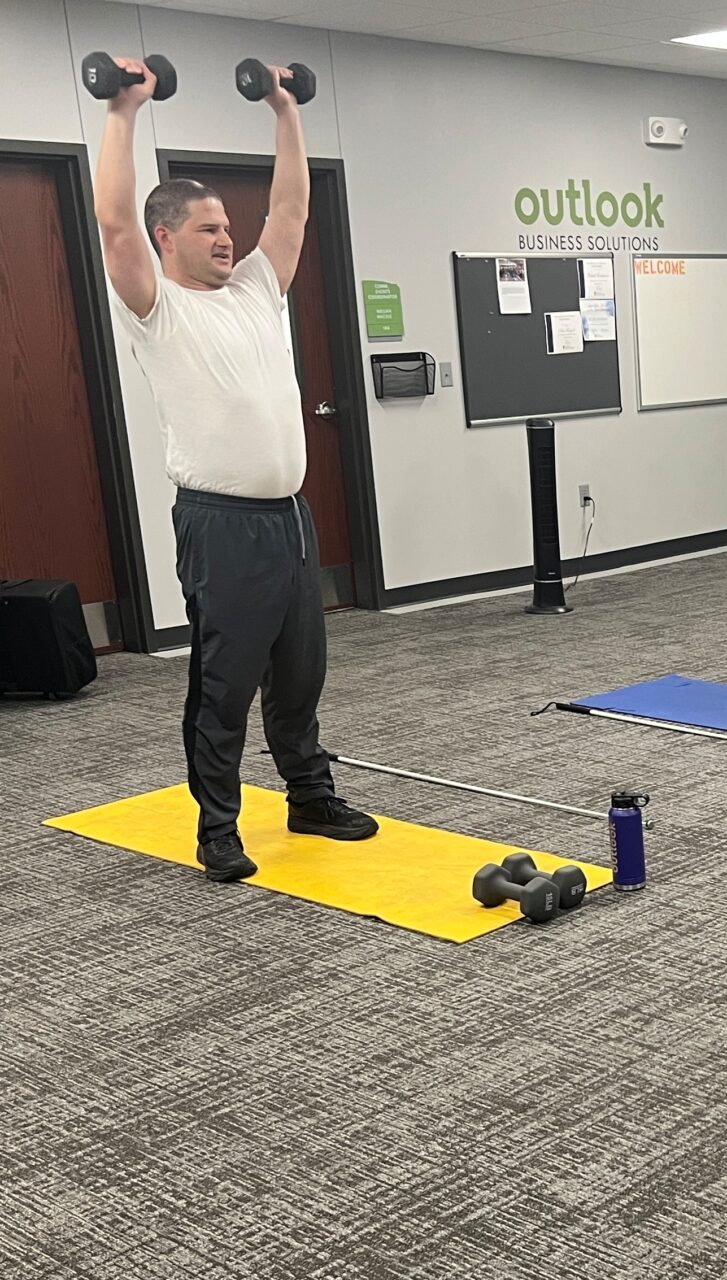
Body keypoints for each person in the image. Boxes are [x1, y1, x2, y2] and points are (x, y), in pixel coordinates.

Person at [93, 55, 376, 883]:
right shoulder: (156, 305)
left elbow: (290, 208)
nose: (226, 237)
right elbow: (113, 221)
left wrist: (286, 112)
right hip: (222, 525)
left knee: (301, 673)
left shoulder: (257, 288)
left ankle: (309, 796)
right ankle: (218, 825)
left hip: (290, 516)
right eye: (208, 229)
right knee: (226, 682)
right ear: (165, 238)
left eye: (227, 226)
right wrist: (122, 111)